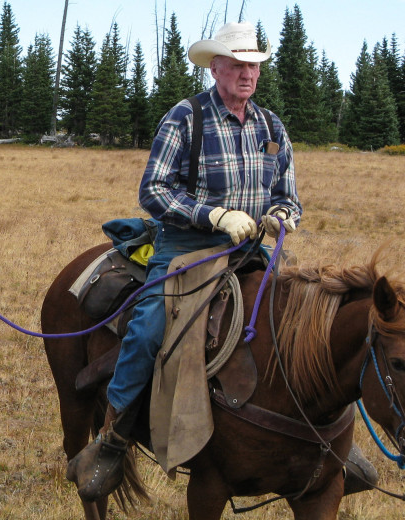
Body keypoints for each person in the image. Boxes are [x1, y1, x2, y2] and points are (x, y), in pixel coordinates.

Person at [67, 21, 373, 501]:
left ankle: (328, 441)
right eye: (237, 64)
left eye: (253, 65)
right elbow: (154, 190)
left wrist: (279, 214)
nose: (247, 73)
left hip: (253, 250)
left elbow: (288, 195)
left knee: (307, 320)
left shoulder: (272, 126)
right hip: (186, 248)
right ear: (216, 68)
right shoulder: (185, 118)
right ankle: (114, 438)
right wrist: (214, 214)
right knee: (148, 328)